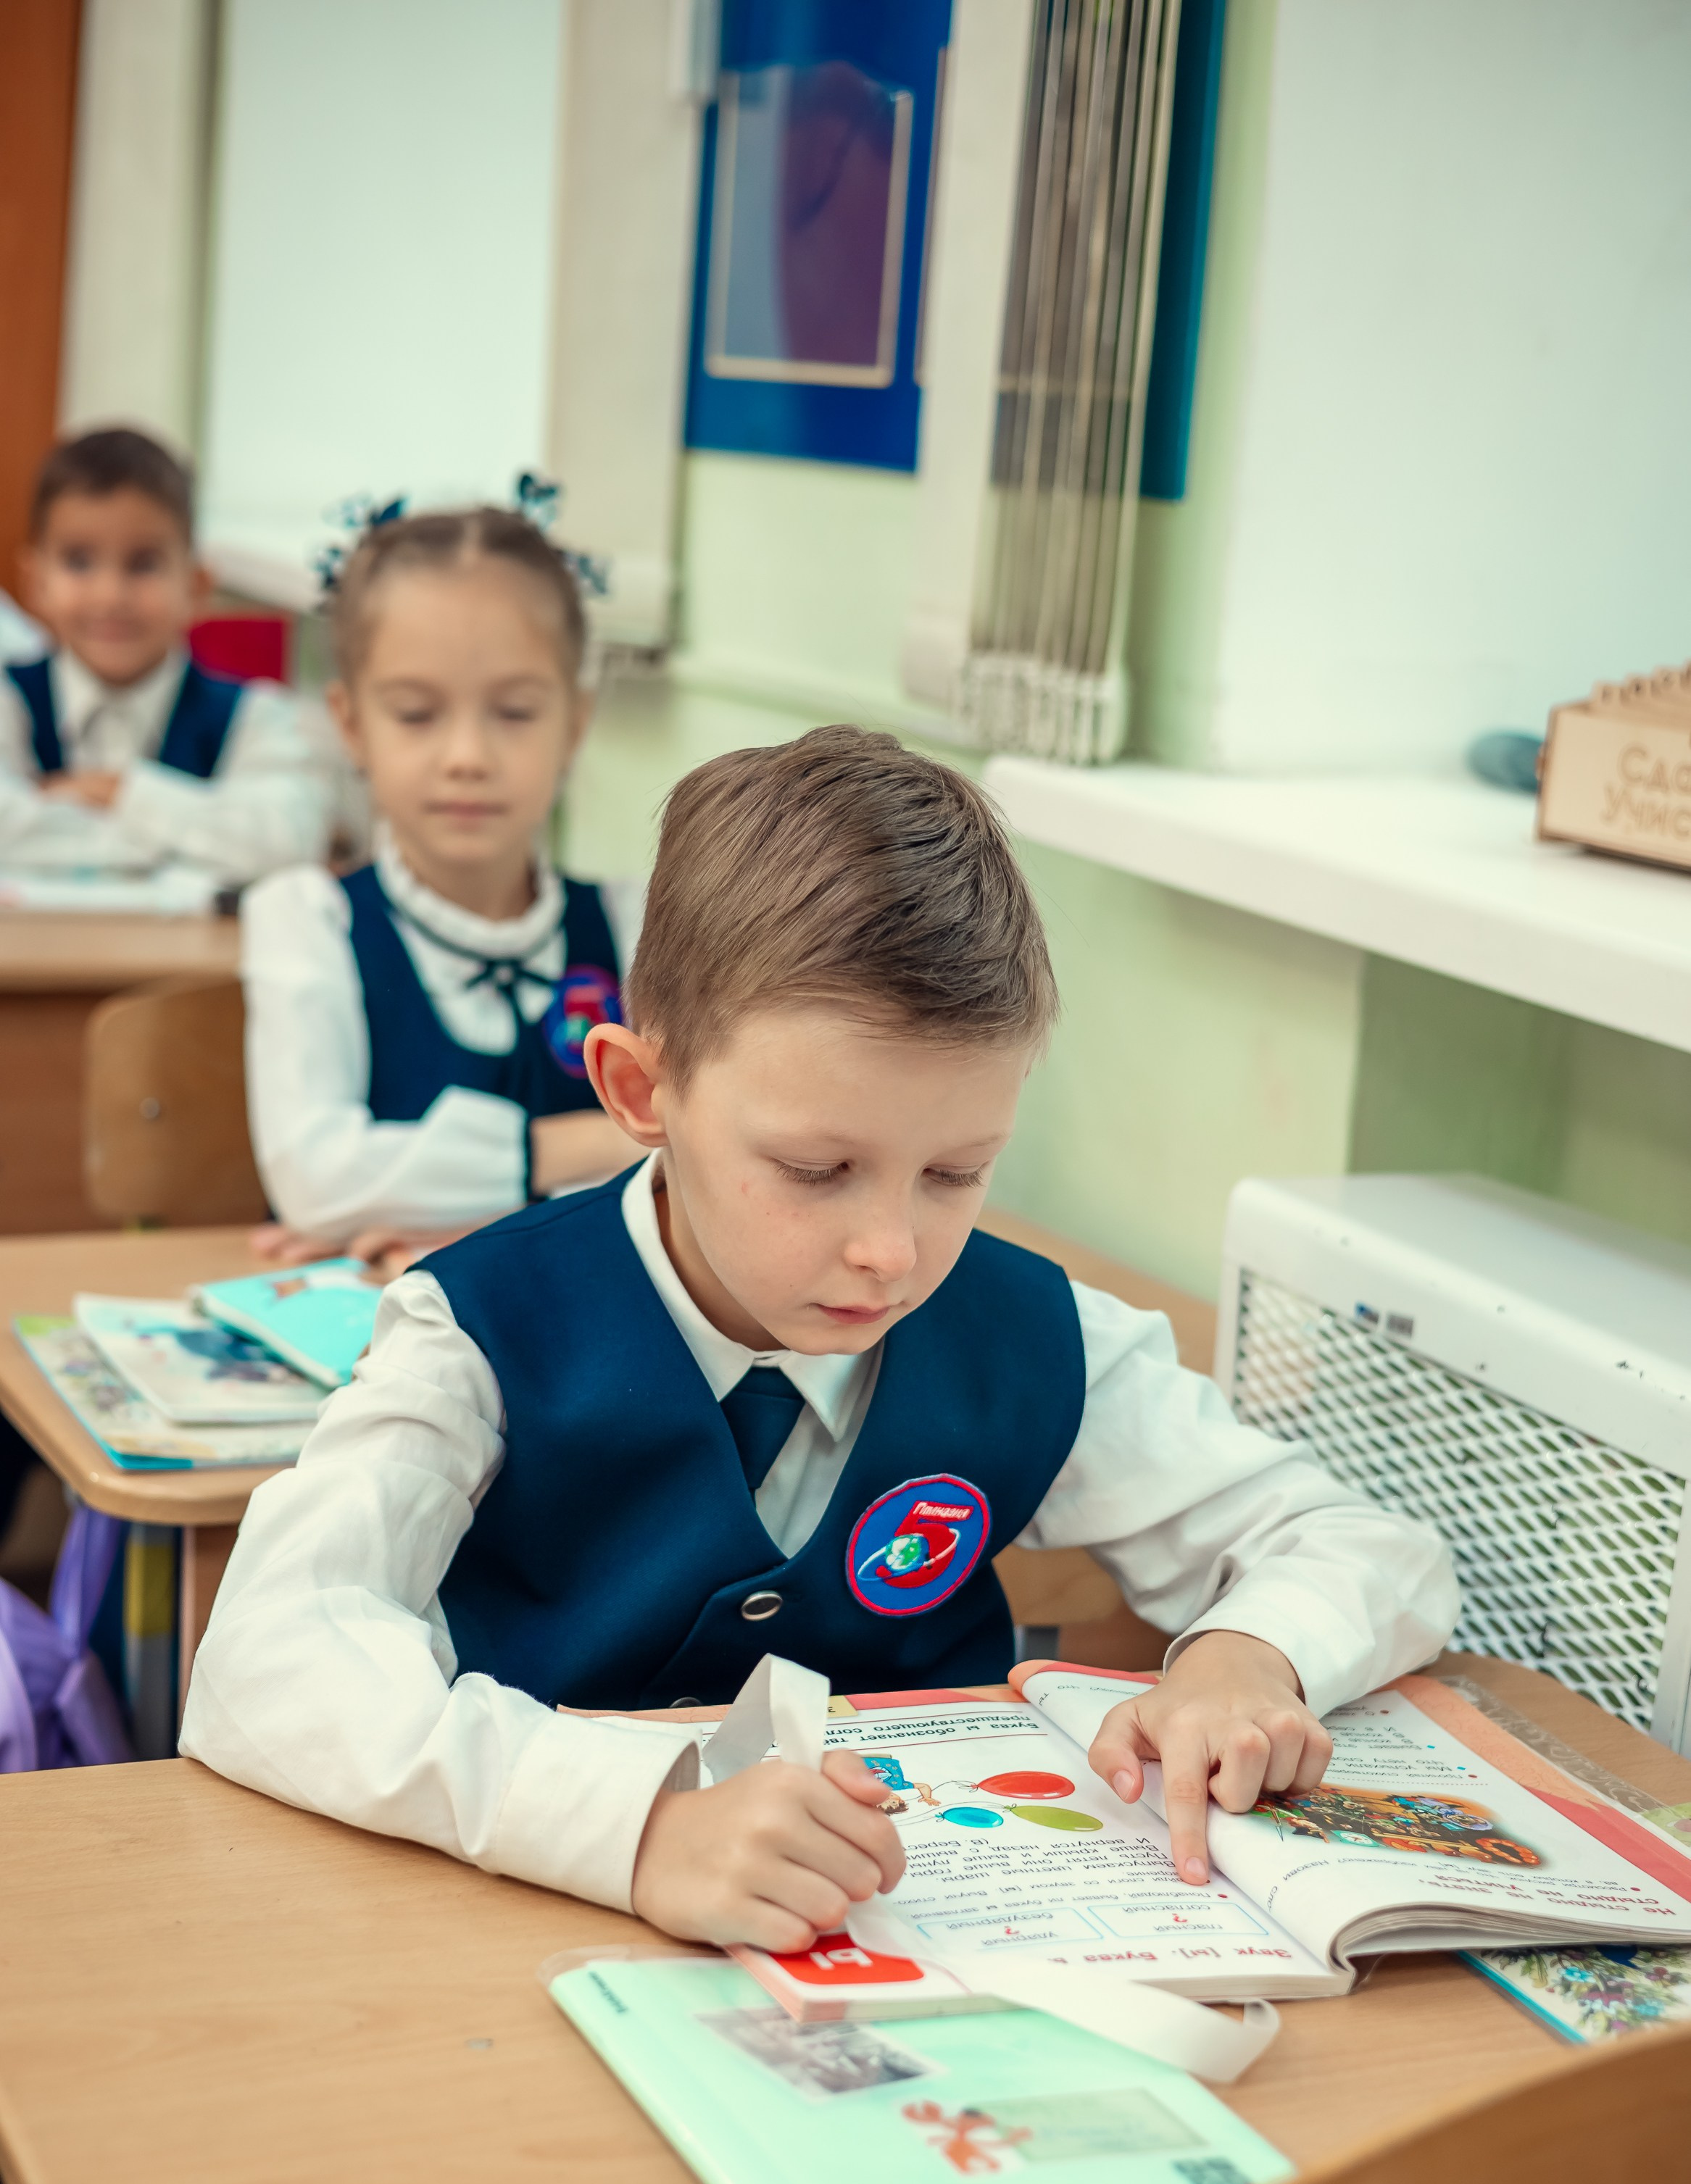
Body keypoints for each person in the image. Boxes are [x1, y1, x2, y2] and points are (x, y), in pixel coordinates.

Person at [183, 727, 1458, 1951]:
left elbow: (1367, 1548)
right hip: (523, 1937)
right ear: (640, 1092)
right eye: (816, 1167)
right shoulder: (473, 1334)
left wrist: (1247, 1653)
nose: (891, 1250)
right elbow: (265, 1661)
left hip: (938, 1950)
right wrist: (635, 1833)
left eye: (956, 1172)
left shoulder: (1030, 1334)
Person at [238, 506, 640, 1262]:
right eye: (417, 713)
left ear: (575, 725)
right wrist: (583, 1145)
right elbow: (315, 1180)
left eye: (515, 712)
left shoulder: (635, 924)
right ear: (351, 724)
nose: (466, 755)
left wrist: (462, 1229)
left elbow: (701, 1160)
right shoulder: (306, 920)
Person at [0, 427, 338, 879]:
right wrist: (196, 839)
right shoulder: (8, 699)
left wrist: (117, 793)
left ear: (196, 585)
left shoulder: (255, 714)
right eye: (78, 561)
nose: (110, 595)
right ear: (36, 583)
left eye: (144, 564)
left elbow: (289, 841)